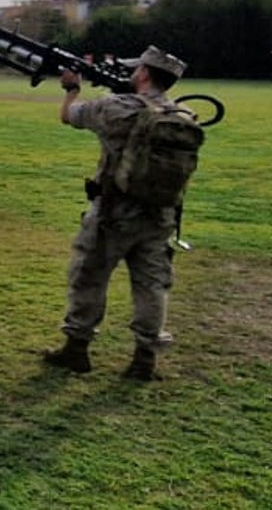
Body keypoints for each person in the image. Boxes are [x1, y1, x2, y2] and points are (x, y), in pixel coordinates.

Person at [43, 45, 189, 381]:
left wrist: (72, 88)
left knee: (90, 276)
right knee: (152, 285)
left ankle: (77, 347)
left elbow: (69, 116)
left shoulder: (115, 108)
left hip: (114, 212)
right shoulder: (182, 115)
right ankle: (144, 358)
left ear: (144, 72)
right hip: (161, 216)